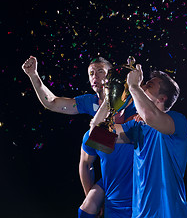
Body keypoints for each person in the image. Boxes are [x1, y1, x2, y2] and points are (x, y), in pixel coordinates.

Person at [22, 56, 136, 217]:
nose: (94, 77)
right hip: (111, 171)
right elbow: (52, 102)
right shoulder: (91, 102)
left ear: (113, 74)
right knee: (87, 207)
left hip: (136, 171)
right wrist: (33, 75)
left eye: (100, 72)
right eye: (90, 73)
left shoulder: (134, 99)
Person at [91, 64, 187, 217]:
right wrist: (110, 100)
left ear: (162, 99)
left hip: (169, 213)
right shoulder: (136, 126)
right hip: (139, 214)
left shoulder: (178, 121)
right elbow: (96, 135)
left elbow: (150, 116)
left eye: (148, 85)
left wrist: (133, 86)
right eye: (143, 84)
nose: (142, 86)